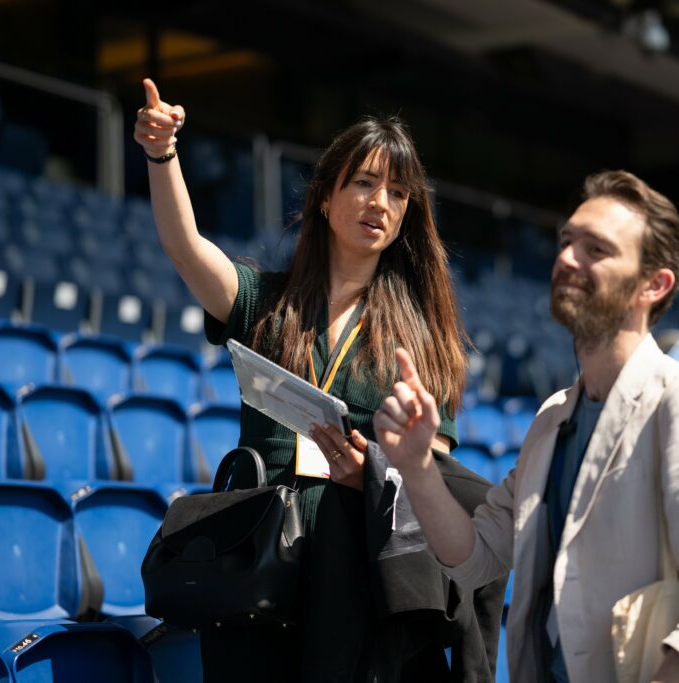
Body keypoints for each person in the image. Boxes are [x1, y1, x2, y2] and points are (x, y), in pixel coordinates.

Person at [133, 79, 504, 682]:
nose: (379, 201)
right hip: (261, 557)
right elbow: (183, 248)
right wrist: (162, 156)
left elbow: (431, 475)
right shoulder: (264, 302)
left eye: (397, 192)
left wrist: (373, 476)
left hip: (359, 571)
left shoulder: (422, 335)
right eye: (363, 182)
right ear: (326, 200)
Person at [375, 170, 679, 682]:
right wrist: (418, 466)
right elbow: (476, 559)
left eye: (596, 250)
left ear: (654, 284)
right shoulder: (553, 419)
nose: (566, 259)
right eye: (566, 242)